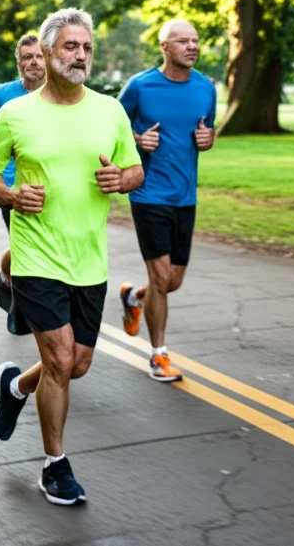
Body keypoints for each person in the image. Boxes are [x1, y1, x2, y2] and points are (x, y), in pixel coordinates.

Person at [0, 8, 142, 506]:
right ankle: (55, 466)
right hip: (36, 257)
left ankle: (15, 389)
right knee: (61, 358)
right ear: (46, 53)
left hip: (88, 259)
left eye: (87, 47)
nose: (81, 56)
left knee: (76, 366)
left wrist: (122, 180)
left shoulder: (110, 110)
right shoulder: (16, 113)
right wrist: (11, 196)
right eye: (71, 47)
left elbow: (133, 172)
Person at [116, 19, 217, 383]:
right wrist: (137, 140)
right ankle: (158, 356)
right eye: (183, 41)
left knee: (172, 281)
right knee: (160, 278)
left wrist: (209, 138)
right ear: (164, 47)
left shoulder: (206, 87)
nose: (192, 46)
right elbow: (111, 126)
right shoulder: (141, 87)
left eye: (195, 41)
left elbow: (207, 131)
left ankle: (134, 297)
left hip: (185, 195)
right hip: (148, 192)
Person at [0, 32, 46, 335]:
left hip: (53, 184)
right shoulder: (3, 95)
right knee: (27, 249)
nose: (33, 62)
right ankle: (22, 309)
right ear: (18, 62)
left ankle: (8, 277)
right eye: (27, 57)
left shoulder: (65, 93)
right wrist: (10, 143)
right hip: (13, 186)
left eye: (39, 56)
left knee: (37, 250)